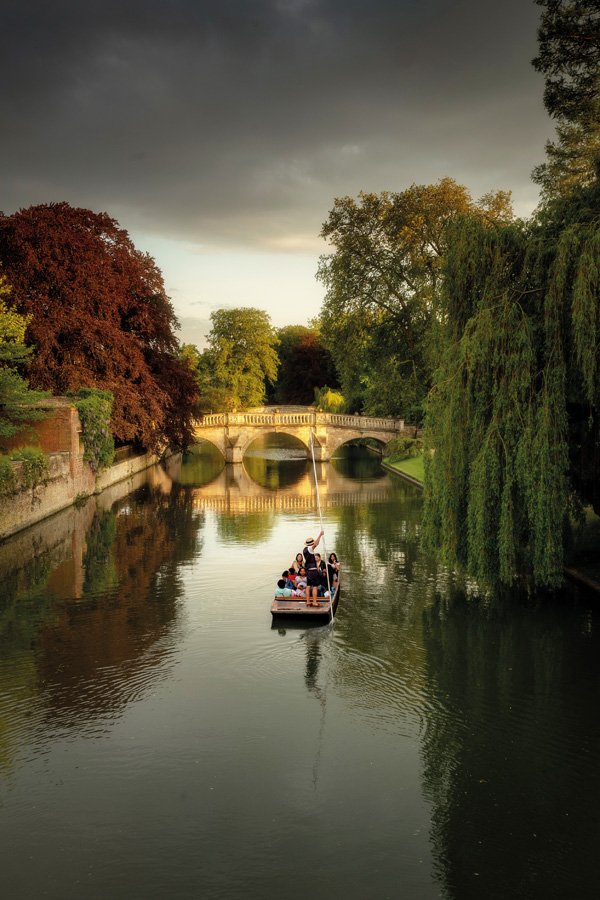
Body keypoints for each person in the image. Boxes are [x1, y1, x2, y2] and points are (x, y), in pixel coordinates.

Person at [303, 530, 324, 607]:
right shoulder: (310, 549)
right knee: (315, 587)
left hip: (308, 571)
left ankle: (308, 601)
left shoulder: (304, 549)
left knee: (308, 586)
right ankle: (314, 602)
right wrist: (320, 535)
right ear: (311, 543)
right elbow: (316, 544)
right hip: (313, 571)